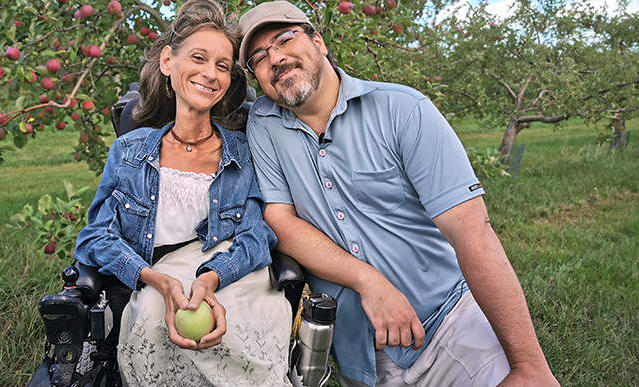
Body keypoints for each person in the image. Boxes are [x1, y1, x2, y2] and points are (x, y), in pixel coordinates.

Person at [238, 2, 560, 387]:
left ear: (319, 42)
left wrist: (528, 365)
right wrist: (368, 281)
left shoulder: (403, 109)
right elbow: (280, 221)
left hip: (449, 328)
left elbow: (471, 231)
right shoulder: (264, 122)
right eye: (259, 57)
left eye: (285, 39)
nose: (275, 58)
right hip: (361, 358)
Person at [74, 1, 292, 386]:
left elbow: (257, 235)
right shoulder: (129, 151)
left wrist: (211, 280)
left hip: (231, 279)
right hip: (159, 280)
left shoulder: (242, 152)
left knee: (245, 322)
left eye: (223, 66)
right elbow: (96, 237)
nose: (210, 74)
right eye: (198, 57)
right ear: (167, 62)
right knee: (155, 314)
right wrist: (154, 279)